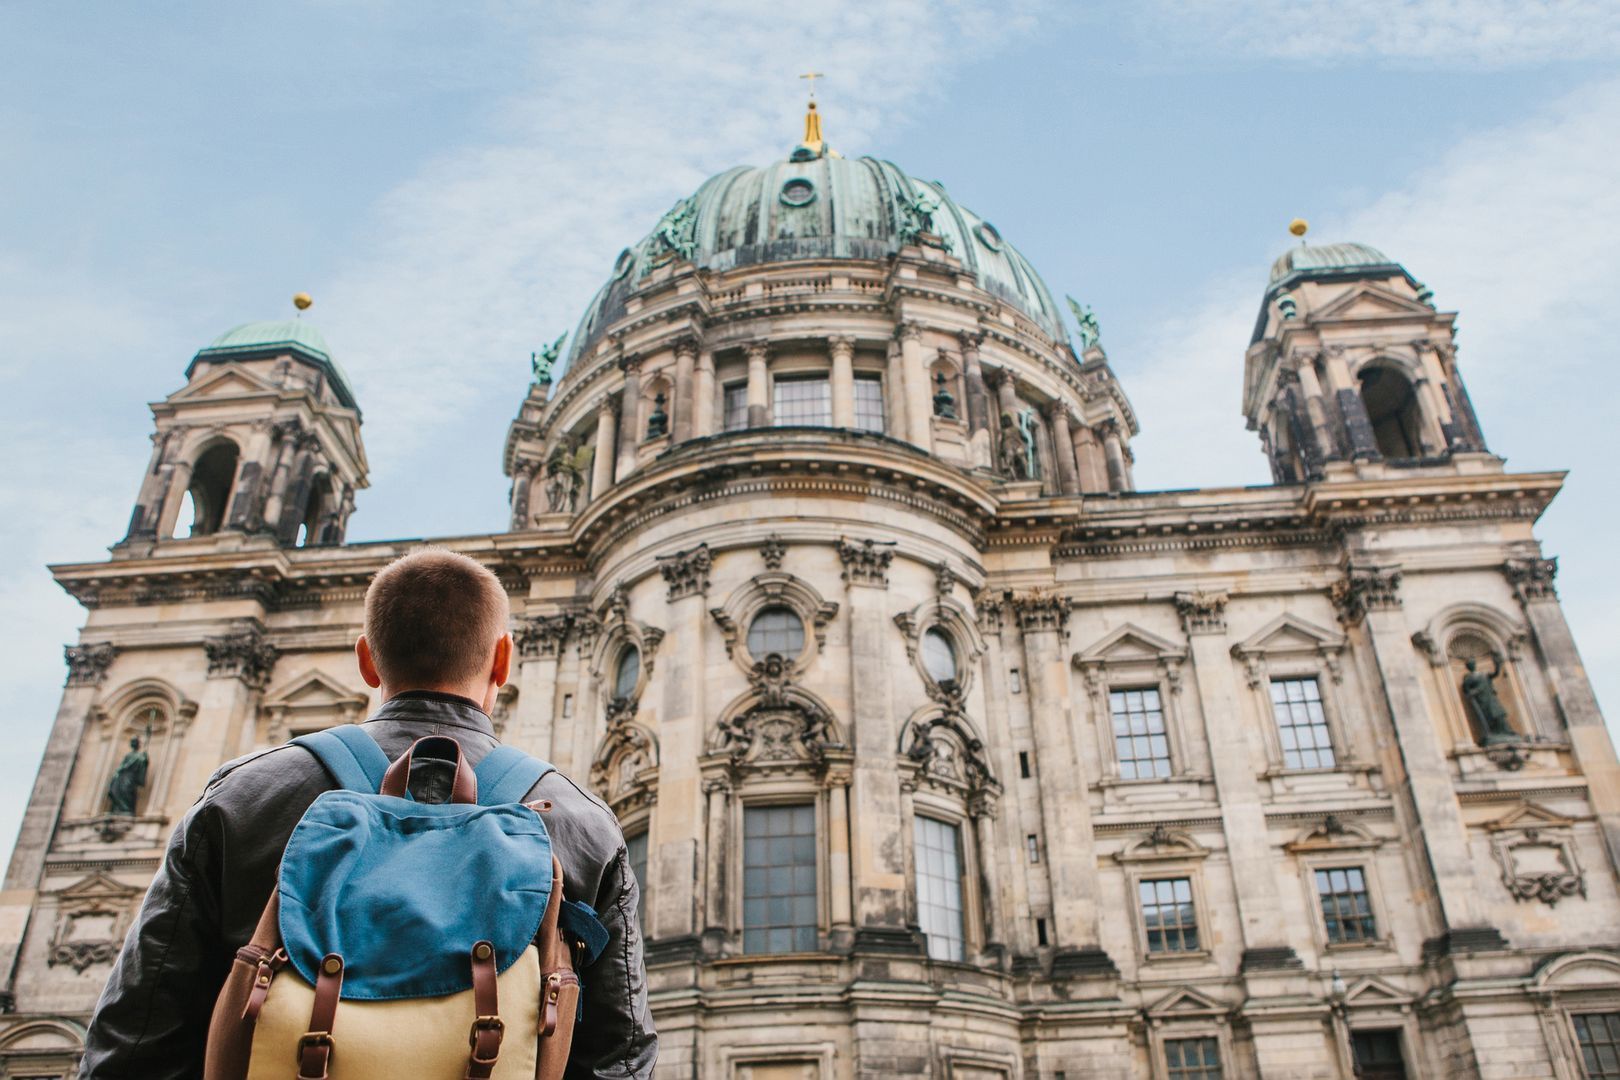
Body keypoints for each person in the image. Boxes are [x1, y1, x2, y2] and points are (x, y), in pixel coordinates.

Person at [81, 548, 657, 1078]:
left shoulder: (241, 798)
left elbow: (135, 1042)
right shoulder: (580, 824)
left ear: (367, 660)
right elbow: (620, 1059)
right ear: (503, 660)